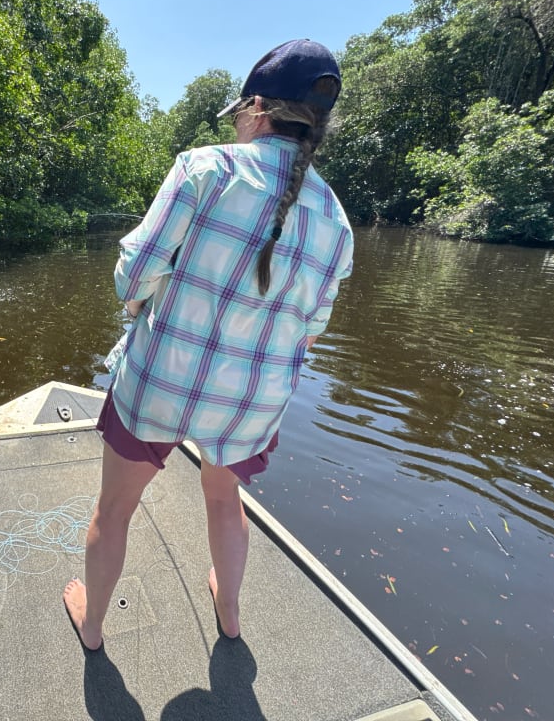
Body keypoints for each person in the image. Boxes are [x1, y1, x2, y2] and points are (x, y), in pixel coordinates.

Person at [63, 39, 354, 651]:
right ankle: (229, 610)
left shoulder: (205, 168)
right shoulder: (336, 217)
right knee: (225, 502)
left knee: (113, 509)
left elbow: (134, 271)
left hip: (160, 382)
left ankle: (92, 626)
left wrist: (140, 302)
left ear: (255, 108)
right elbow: (314, 324)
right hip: (252, 400)